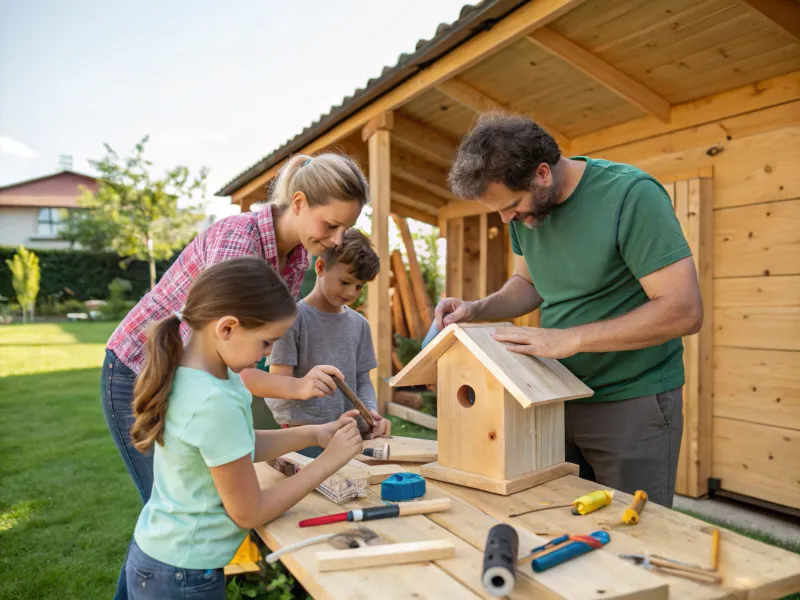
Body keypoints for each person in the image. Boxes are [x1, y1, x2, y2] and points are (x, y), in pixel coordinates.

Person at [101, 152, 368, 600]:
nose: (338, 239)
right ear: (299, 203)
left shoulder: (211, 380)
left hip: (167, 566)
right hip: (134, 369)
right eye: (331, 225)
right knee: (182, 515)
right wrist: (323, 455)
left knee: (168, 517)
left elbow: (237, 430)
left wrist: (314, 432)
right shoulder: (212, 388)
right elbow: (247, 508)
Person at [438, 111, 703, 508]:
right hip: (555, 397)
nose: (507, 218)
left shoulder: (631, 195)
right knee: (558, 522)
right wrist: (477, 309)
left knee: (633, 535)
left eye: (511, 205)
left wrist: (569, 339)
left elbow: (683, 310)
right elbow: (528, 284)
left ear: (542, 173)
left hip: (631, 400)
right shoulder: (526, 211)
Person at [124, 257, 363, 600]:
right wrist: (329, 462)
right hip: (182, 575)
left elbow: (239, 446)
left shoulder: (204, 374)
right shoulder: (212, 400)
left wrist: (315, 434)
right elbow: (250, 512)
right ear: (226, 328)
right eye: (266, 342)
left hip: (165, 556)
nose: (266, 355)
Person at [243, 229, 391, 456]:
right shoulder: (293, 319)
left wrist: (370, 412)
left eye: (359, 286)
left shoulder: (360, 325)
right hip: (302, 438)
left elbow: (363, 380)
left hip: (349, 435)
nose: (352, 292)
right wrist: (306, 386)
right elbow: (279, 382)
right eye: (345, 282)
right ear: (320, 268)